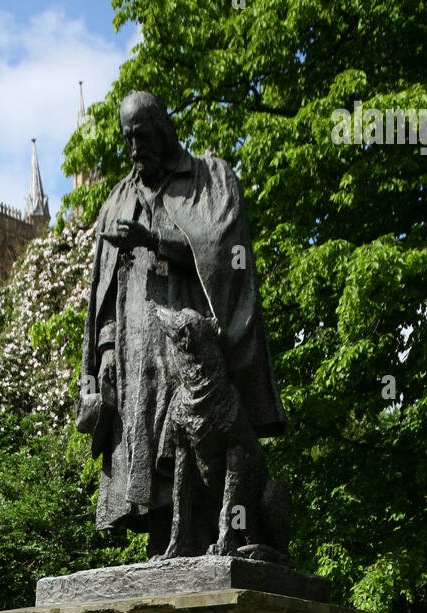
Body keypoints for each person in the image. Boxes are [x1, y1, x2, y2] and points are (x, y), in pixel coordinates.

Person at [76, 90, 287, 556]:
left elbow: (221, 249)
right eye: (127, 140)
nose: (135, 150)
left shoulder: (208, 179)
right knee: (147, 438)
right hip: (135, 349)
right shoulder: (118, 198)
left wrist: (155, 240)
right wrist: (106, 350)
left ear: (166, 130)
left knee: (203, 430)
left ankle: (216, 534)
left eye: (143, 137)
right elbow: (103, 292)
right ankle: (166, 540)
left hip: (187, 339)